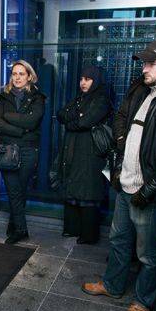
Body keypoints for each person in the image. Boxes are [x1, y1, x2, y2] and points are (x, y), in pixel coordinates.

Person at [81, 38, 156, 311]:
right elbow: (121, 118)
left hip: (148, 192)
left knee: (148, 254)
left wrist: (149, 190)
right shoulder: (140, 90)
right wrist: (120, 151)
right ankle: (113, 285)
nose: (144, 68)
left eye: (151, 63)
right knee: (118, 240)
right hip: (125, 184)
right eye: (144, 63)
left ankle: (143, 301)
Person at [0, 60, 46, 245]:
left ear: (29, 76)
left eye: (21, 74)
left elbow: (32, 121)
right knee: (13, 190)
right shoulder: (3, 97)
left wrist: (7, 117)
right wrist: (20, 130)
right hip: (7, 151)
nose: (17, 77)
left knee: (20, 190)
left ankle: (14, 223)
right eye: (14, 73)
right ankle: (21, 230)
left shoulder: (37, 97)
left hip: (28, 150)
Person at [56, 66, 112, 245]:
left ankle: (88, 235)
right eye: (81, 79)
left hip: (91, 153)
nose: (83, 82)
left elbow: (85, 121)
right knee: (73, 188)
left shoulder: (102, 99)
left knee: (88, 192)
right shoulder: (79, 98)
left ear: (96, 81)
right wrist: (76, 117)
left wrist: (73, 120)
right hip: (74, 150)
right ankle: (72, 229)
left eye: (87, 79)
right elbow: (61, 114)